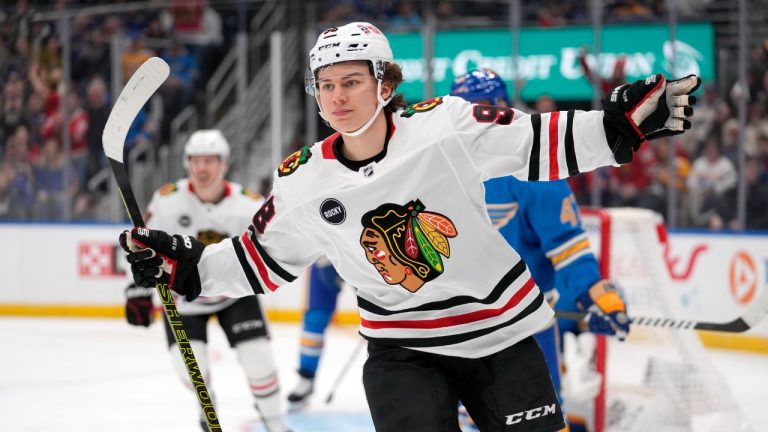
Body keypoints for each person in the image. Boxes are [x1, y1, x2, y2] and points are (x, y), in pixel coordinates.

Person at [121, 22, 699, 432]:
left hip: (503, 336)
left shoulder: (444, 126)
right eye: (326, 84)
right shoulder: (303, 180)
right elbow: (258, 258)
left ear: (384, 83)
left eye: (351, 81)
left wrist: (617, 128)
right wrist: (188, 267)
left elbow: (533, 142)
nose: (337, 96)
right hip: (402, 352)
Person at [449, 68, 616, 431]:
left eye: (481, 108)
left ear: (502, 108)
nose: (473, 118)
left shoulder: (534, 169)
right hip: (459, 327)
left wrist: (594, 290)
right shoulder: (439, 169)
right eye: (464, 109)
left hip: (525, 326)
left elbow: (568, 248)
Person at [123, 130, 291, 432]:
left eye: (209, 161)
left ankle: (275, 422)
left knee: (259, 361)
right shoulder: (167, 201)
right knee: (192, 370)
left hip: (236, 295)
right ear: (187, 164)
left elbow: (269, 248)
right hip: (183, 299)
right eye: (196, 161)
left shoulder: (247, 204)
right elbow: (138, 245)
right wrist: (136, 290)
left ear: (224, 164)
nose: (202, 168)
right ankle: (206, 405)